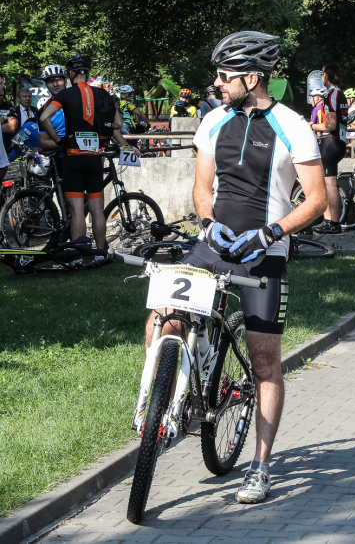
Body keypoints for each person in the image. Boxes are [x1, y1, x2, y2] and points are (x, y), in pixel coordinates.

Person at [159, 31, 326, 504]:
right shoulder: (213, 120)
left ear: (252, 77)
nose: (216, 83)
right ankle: (167, 402)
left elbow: (318, 199)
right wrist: (207, 223)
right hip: (214, 242)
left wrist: (272, 233)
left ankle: (260, 465)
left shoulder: (294, 126)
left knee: (264, 361)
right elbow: (200, 187)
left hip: (264, 250)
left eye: (225, 76)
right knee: (163, 317)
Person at [39, 55, 139, 251]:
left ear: (70, 73)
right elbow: (118, 124)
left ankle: (79, 252)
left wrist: (59, 140)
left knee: (76, 210)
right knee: (96, 209)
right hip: (94, 157)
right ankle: (101, 251)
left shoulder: (65, 95)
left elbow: (44, 118)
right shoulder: (103, 94)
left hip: (72, 156)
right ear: (88, 72)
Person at [307, 74, 345, 233]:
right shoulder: (339, 93)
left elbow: (330, 124)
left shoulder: (331, 94)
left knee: (329, 184)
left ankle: (333, 222)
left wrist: (311, 126)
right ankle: (329, 221)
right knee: (329, 184)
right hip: (339, 141)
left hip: (330, 142)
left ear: (326, 76)